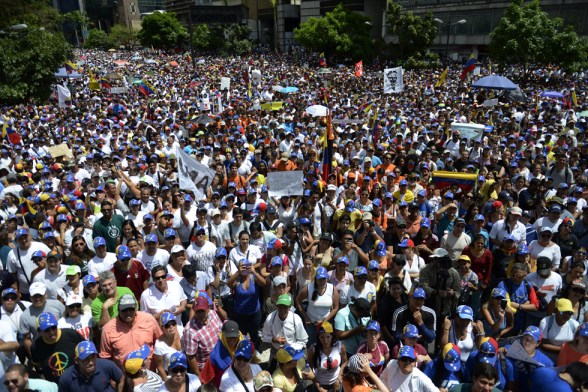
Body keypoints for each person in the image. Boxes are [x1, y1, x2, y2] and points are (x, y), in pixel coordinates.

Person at [99, 293, 162, 368]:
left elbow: (161, 342)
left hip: (148, 371)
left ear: (136, 308)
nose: (128, 313)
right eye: (124, 310)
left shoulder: (149, 319)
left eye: (131, 309)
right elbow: (105, 357)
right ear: (118, 310)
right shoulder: (108, 329)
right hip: (124, 374)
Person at [30, 312, 83, 383]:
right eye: (47, 330)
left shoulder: (71, 334)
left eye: (54, 327)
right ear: (40, 331)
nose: (51, 331)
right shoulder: (35, 346)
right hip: (55, 386)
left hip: (77, 381)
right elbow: (38, 364)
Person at [18, 282, 65, 359]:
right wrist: (34, 356)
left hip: (62, 342)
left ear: (46, 295)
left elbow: (67, 322)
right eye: (35, 296)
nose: (38, 298)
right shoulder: (25, 316)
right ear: (30, 297)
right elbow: (26, 339)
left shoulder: (57, 305)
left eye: (40, 295)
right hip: (43, 349)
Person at [58, 340, 124, 392]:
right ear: (76, 360)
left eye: (93, 357)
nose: (91, 362)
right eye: (85, 359)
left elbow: (121, 378)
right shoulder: (66, 379)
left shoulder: (107, 365)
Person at [262, 294, 308, 366]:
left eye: (285, 307)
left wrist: (289, 349)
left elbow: (303, 340)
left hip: (293, 354)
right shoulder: (270, 318)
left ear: (290, 307)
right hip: (275, 352)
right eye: (280, 307)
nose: (282, 310)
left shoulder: (296, 319)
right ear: (276, 306)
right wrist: (273, 339)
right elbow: (264, 336)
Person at [182, 295, 224, 375]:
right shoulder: (190, 331)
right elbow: (191, 357)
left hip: (220, 360)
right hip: (206, 368)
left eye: (202, 311)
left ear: (208, 309)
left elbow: (221, 330)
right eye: (198, 311)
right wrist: (199, 375)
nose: (200, 314)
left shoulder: (213, 314)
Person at [506, 326, 554, 392]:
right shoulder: (510, 349)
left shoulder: (547, 363)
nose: (527, 342)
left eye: (531, 340)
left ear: (538, 343)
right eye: (525, 338)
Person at [200, 320, 244, 388]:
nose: (232, 340)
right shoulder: (215, 356)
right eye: (229, 337)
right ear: (223, 335)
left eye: (234, 336)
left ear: (239, 334)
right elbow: (206, 379)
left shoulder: (245, 344)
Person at [308, 321, 347, 392]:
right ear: (318, 337)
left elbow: (345, 362)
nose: (325, 341)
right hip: (320, 384)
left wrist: (339, 379)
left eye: (328, 337)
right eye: (322, 337)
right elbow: (310, 369)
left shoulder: (339, 346)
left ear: (332, 335)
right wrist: (318, 387)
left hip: (336, 383)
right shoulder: (313, 349)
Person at [153, 311, 182, 379]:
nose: (171, 326)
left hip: (186, 371)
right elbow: (160, 368)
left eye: (173, 323)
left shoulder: (182, 331)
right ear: (162, 328)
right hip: (171, 376)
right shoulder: (159, 345)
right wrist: (167, 383)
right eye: (167, 325)